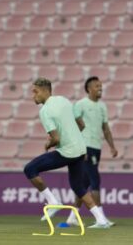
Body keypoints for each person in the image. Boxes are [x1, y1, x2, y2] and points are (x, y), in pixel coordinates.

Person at [23, 78, 110, 228]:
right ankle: (101, 220)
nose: (33, 96)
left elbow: (55, 138)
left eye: (35, 92)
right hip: (80, 148)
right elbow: (81, 124)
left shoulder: (45, 111)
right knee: (78, 187)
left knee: (30, 169)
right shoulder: (63, 100)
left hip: (67, 151)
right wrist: (73, 137)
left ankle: (53, 202)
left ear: (45, 90)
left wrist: (48, 143)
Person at [66, 76, 118, 226]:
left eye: (101, 86)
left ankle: (72, 217)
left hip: (97, 148)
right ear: (89, 88)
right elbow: (73, 125)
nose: (100, 88)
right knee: (95, 180)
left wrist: (112, 146)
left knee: (83, 183)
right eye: (97, 86)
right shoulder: (81, 104)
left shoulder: (102, 106)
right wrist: (79, 146)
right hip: (85, 147)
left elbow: (106, 129)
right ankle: (100, 219)